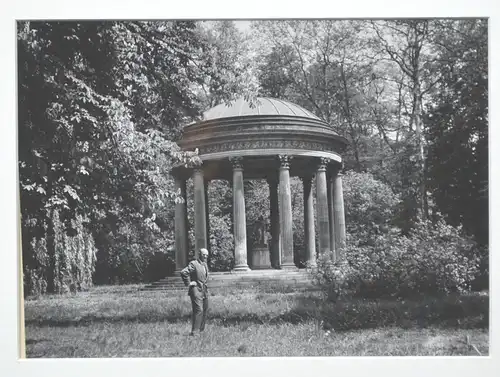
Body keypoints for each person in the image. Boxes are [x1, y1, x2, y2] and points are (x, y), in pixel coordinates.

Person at [180, 248, 209, 336]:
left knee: (204, 309)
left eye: (207, 255)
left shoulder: (205, 264)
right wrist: (189, 283)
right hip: (196, 290)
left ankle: (201, 330)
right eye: (203, 254)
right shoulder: (194, 263)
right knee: (198, 310)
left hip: (204, 290)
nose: (205, 256)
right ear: (199, 254)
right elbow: (184, 272)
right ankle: (195, 332)